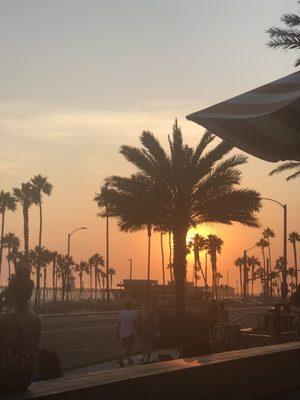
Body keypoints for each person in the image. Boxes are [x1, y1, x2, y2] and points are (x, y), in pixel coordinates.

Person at [0, 268, 41, 393]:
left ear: (11, 294)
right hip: (26, 376)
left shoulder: (7, 322)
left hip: (7, 376)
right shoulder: (38, 320)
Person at [116, 301, 137, 367]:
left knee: (125, 347)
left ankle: (129, 359)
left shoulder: (121, 314)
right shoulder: (132, 314)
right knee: (129, 347)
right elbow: (135, 324)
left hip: (123, 333)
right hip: (130, 333)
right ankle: (121, 359)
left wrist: (117, 333)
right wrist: (138, 332)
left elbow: (118, 324)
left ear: (125, 306)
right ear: (130, 306)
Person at [140, 299, 158, 364]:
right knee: (150, 344)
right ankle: (148, 358)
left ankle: (143, 357)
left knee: (144, 344)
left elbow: (142, 321)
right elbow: (156, 321)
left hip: (144, 329)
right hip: (150, 329)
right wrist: (157, 328)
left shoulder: (142, 311)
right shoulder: (152, 311)